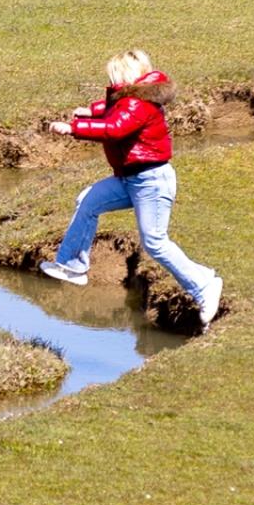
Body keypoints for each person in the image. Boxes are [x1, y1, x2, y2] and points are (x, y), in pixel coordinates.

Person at [41, 50, 223, 327]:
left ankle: (204, 285)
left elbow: (115, 128)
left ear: (126, 77)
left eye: (114, 78)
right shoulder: (135, 99)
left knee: (154, 241)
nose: (112, 83)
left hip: (150, 181)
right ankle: (73, 266)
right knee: (88, 201)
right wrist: (92, 111)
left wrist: (73, 128)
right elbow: (115, 110)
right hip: (130, 179)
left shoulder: (140, 103)